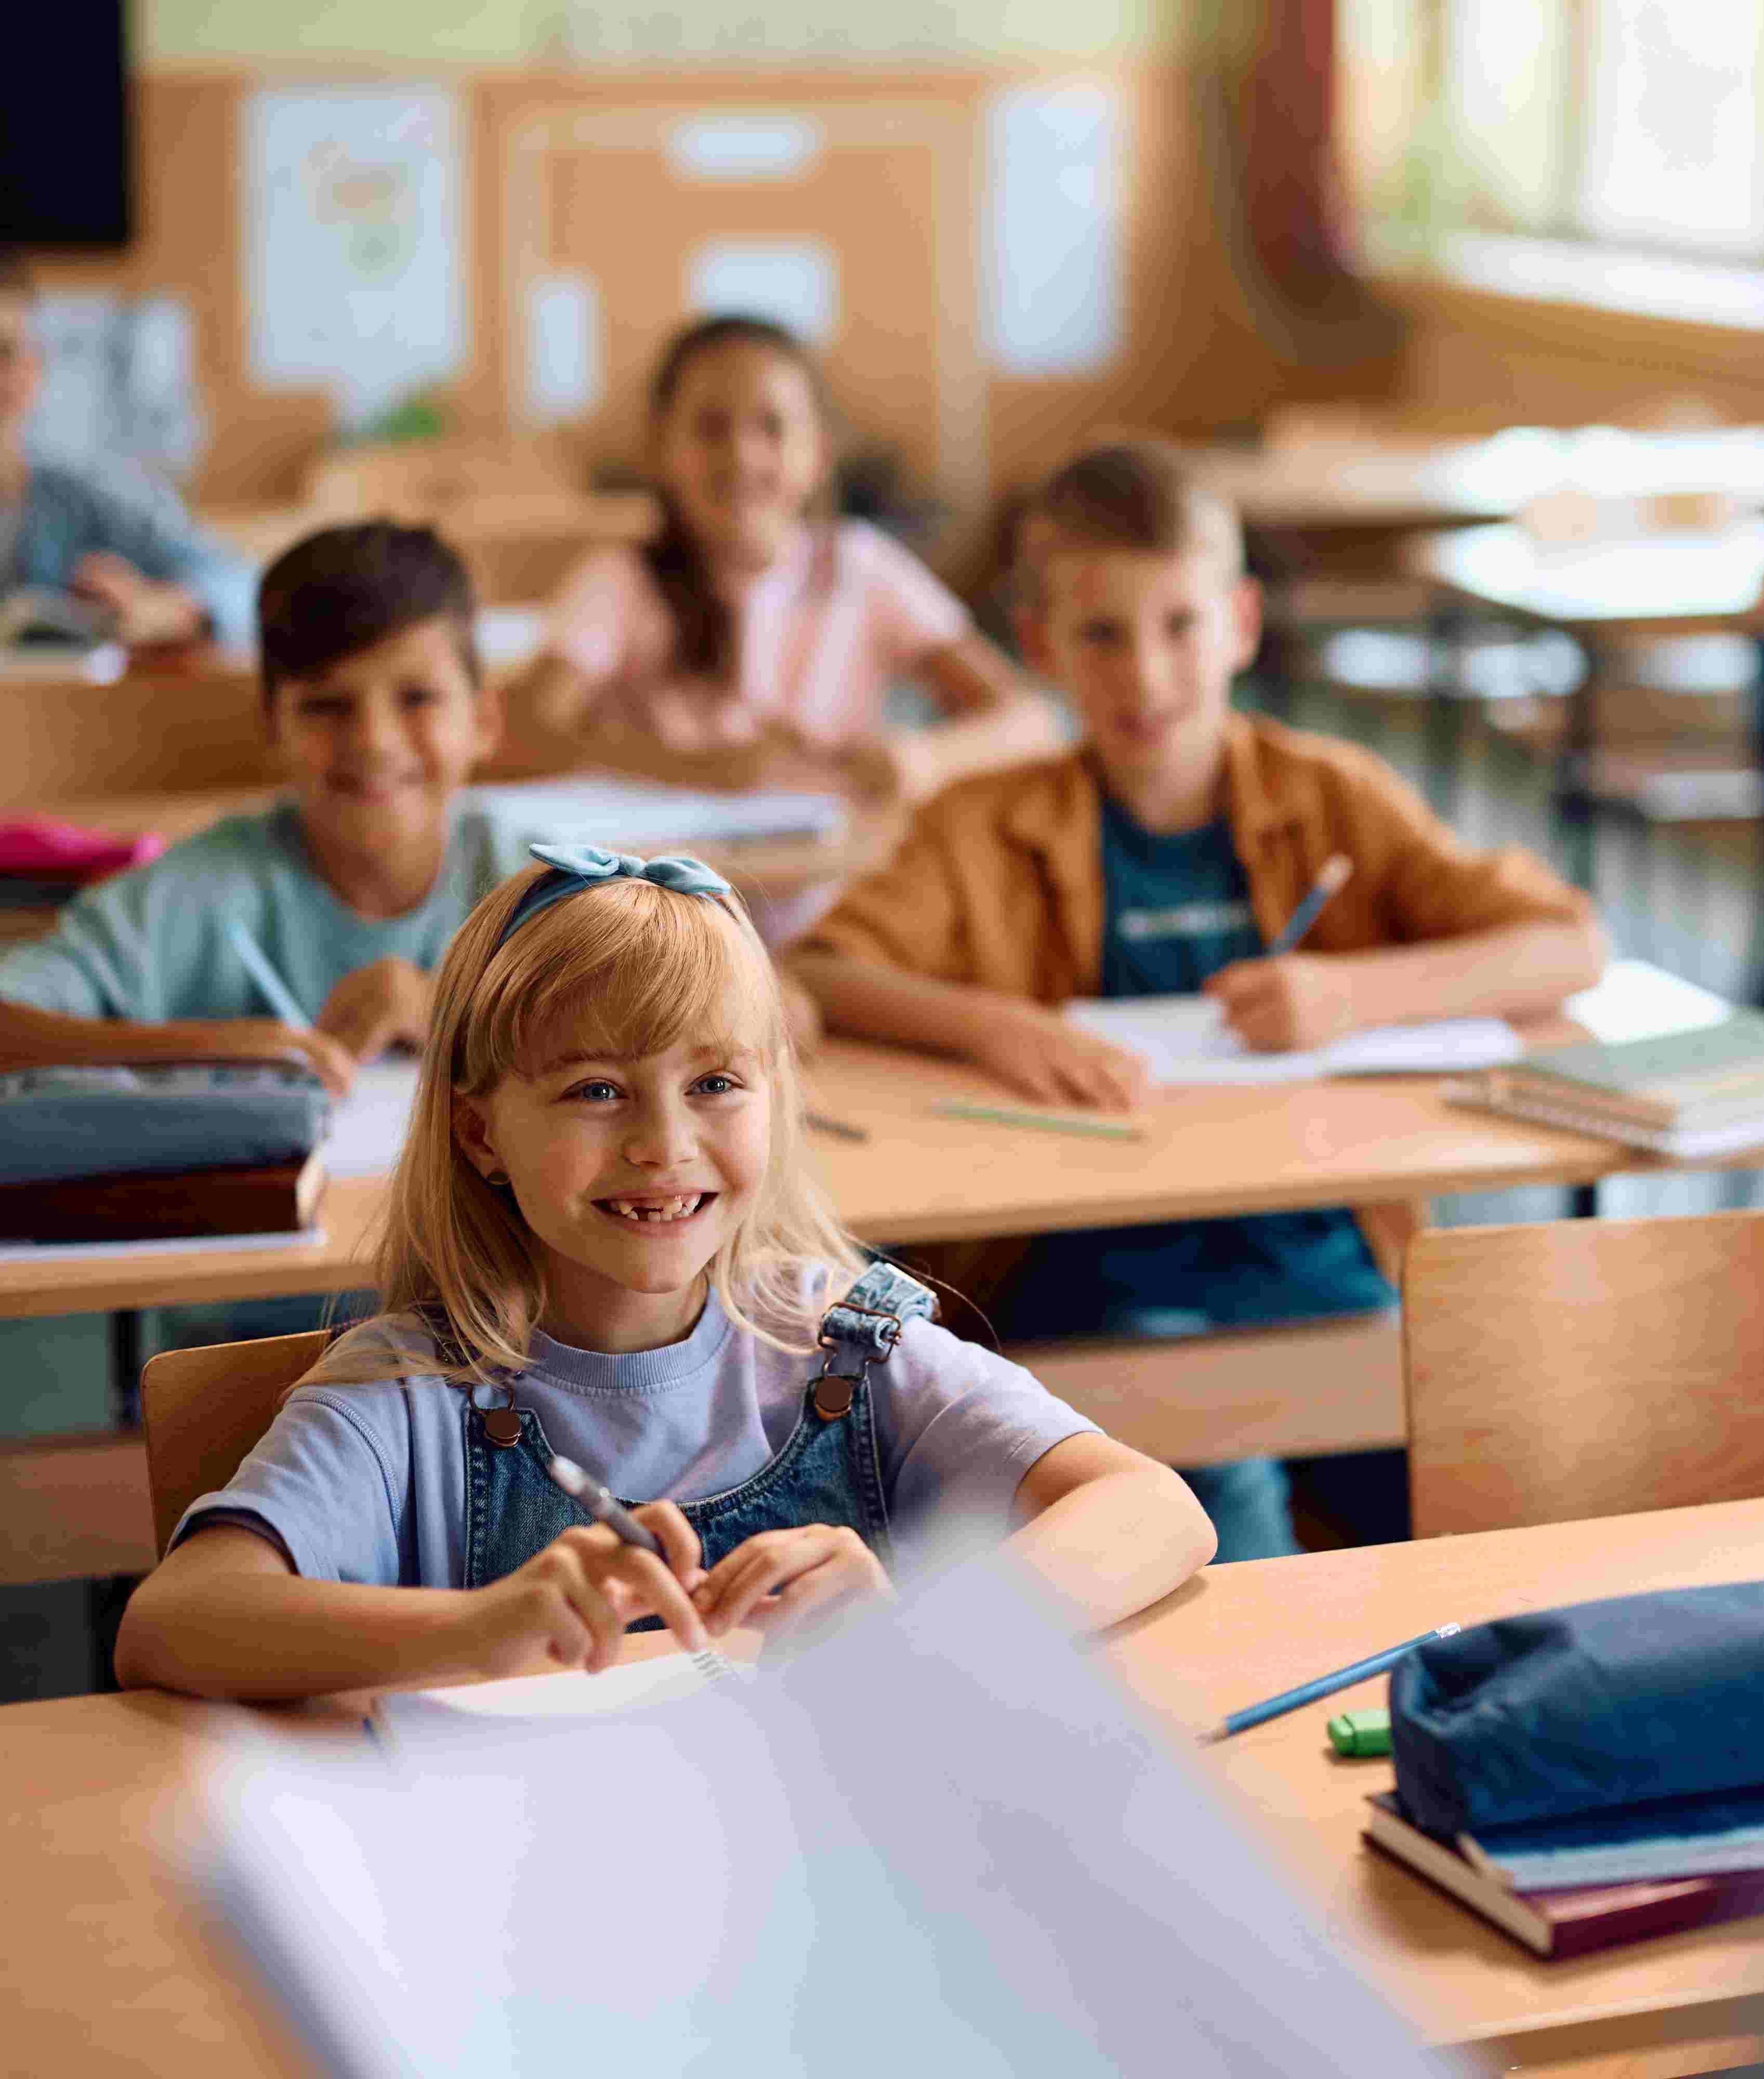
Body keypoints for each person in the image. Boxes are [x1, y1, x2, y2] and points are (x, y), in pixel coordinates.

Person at [113, 846, 1213, 1699]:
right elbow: (176, 1619)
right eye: (596, 1089)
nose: (661, 1143)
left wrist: (923, 1616)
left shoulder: (844, 1344)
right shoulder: (408, 1386)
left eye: (716, 1083)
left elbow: (1153, 1510)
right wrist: (480, 1626)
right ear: (480, 1131)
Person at [787, 443, 1605, 1562]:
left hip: (1319, 1256)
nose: (1145, 673)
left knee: (1494, 1495)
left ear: (1241, 623)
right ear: (1039, 647)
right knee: (1224, 1498)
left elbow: (1566, 942)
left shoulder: (1330, 796)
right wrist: (1000, 1025)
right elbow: (824, 968)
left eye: (1180, 625)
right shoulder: (979, 823)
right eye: (1100, 634)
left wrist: (1348, 994)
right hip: (1089, 1274)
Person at [510, 313, 1059, 939]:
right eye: (710, 428)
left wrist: (920, 757)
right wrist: (689, 766)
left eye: (771, 426)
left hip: (841, 917)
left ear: (818, 452)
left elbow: (1030, 721)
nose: (741, 454)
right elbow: (524, 729)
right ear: (661, 447)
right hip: (670, 931)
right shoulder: (622, 581)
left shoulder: (859, 566)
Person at [0, 521, 526, 1095]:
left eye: (417, 698)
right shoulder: (196, 893)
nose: (374, 741)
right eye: (326, 705)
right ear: (272, 726)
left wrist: (451, 1016)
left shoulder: (540, 888)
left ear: (484, 720)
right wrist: (206, 1047)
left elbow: (634, 1021)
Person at [0, 248, 253, 648]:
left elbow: (239, 587)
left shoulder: (91, 497)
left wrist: (172, 610)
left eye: (5, 352)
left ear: (34, 369)